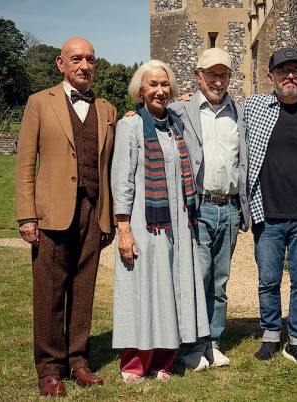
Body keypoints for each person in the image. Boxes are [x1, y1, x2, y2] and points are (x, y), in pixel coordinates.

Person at [15, 37, 116, 397]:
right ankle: (49, 368)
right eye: (76, 59)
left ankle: (78, 362)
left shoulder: (107, 109)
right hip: (51, 214)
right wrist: (27, 215)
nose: (85, 65)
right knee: (49, 293)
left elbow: (112, 164)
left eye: (91, 59)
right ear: (61, 63)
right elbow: (25, 164)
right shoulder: (39, 102)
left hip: (93, 211)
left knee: (84, 290)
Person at [110, 59, 209, 384]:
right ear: (140, 90)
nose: (160, 90)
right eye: (152, 84)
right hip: (146, 221)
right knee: (144, 289)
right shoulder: (130, 126)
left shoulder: (176, 124)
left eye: (165, 84)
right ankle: (135, 363)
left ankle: (164, 360)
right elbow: (122, 181)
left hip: (179, 222)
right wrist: (124, 229)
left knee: (174, 287)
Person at [167, 48, 249, 370]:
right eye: (212, 75)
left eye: (223, 75)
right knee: (197, 278)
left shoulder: (239, 112)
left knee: (220, 282)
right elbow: (150, 115)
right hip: (198, 208)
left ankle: (213, 343)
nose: (218, 81)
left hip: (229, 208)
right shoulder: (179, 110)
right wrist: (134, 114)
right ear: (197, 75)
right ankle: (192, 345)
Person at [244, 48, 297, 363]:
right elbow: (216, 114)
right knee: (268, 280)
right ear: (271, 77)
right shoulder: (252, 107)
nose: (290, 76)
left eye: (296, 71)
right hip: (267, 212)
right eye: (283, 71)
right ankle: (270, 337)